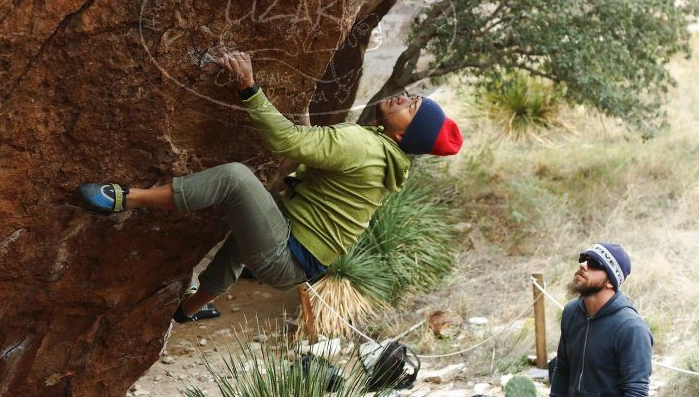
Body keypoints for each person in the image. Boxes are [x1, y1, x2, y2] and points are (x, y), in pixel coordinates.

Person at [76, 52, 463, 322]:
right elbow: (318, 151)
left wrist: (248, 86)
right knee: (242, 235)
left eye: (411, 107)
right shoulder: (384, 156)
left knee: (236, 179)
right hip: (298, 257)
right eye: (413, 98)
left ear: (405, 133)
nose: (403, 99)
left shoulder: (366, 146)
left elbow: (288, 145)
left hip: (288, 257)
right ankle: (189, 308)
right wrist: (305, 119)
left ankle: (125, 198)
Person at [550, 243, 653, 397]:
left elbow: (636, 391)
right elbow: (563, 369)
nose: (583, 265)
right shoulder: (571, 312)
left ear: (611, 281)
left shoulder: (631, 328)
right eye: (583, 259)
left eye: (594, 263)